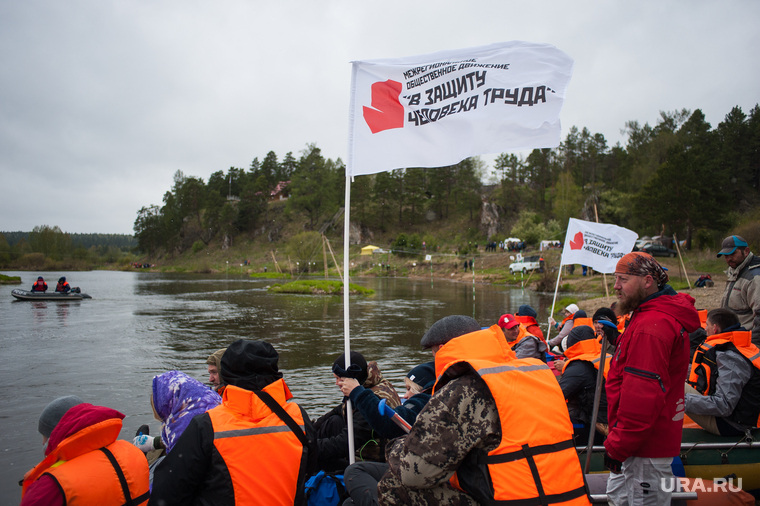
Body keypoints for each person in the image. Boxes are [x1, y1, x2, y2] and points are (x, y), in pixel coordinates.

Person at [377, 315, 590, 505]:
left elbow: (414, 473)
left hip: (516, 498)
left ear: (443, 349)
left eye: (434, 354)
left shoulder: (462, 390)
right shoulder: (537, 373)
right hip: (568, 496)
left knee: (394, 484)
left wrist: (396, 446)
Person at [149, 339, 317, 505]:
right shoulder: (298, 416)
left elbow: (167, 494)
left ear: (226, 375)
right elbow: (310, 465)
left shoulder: (207, 424)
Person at [604, 251, 700, 505]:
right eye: (616, 279)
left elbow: (642, 397)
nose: (616, 286)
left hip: (644, 447)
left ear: (647, 281)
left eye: (623, 279)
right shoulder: (648, 316)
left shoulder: (652, 325)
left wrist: (618, 446)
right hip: (637, 444)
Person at [21, 396, 149, 505]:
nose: (43, 443)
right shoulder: (133, 452)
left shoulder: (51, 485)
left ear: (56, 435)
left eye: (44, 436)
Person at [339, 362, 436, 506]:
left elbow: (389, 425)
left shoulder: (423, 402)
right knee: (349, 503)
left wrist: (356, 392)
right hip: (413, 467)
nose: (406, 395)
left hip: (418, 472)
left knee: (354, 471)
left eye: (410, 389)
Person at [314, 351, 400, 472]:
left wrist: (308, 447)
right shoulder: (369, 386)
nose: (336, 383)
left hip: (372, 463)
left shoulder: (373, 401)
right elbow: (340, 409)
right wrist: (310, 430)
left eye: (339, 379)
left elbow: (345, 443)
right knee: (333, 421)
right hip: (359, 448)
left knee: (316, 459)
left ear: (351, 378)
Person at [132, 370, 222, 483]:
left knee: (158, 467)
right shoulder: (213, 401)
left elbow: (178, 477)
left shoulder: (185, 424)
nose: (210, 379)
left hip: (204, 485)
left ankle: (138, 468)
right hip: (220, 474)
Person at [685, 307, 760, 436]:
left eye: (707, 325)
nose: (705, 329)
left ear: (715, 328)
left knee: (672, 389)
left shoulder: (731, 358)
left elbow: (724, 405)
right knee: (672, 379)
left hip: (732, 425)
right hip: (733, 417)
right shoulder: (739, 346)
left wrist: (680, 400)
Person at [558, 325, 610, 446]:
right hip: (611, 418)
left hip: (594, 425)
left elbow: (557, 395)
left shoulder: (579, 367)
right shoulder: (605, 356)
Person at [717, 235, 760, 347]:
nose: (729, 258)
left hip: (746, 342)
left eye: (732, 254)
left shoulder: (754, 278)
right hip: (732, 338)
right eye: (726, 255)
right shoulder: (735, 269)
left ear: (746, 251)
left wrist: (754, 347)